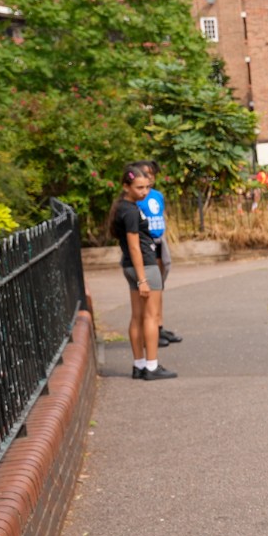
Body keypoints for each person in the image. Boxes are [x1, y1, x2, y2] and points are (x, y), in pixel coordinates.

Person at [110, 166, 176, 381]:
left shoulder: (122, 207)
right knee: (149, 316)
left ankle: (139, 365)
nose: (145, 192)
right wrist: (143, 279)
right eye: (139, 187)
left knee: (137, 316)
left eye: (147, 187)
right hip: (144, 266)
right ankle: (151, 366)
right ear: (126, 187)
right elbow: (135, 246)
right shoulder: (130, 211)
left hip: (131, 266)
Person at [131, 160, 181, 347]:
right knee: (150, 287)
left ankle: (159, 326)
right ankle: (149, 330)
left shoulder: (157, 196)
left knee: (159, 286)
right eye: (145, 173)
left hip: (160, 241)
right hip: (146, 243)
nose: (149, 177)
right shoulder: (136, 198)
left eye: (152, 173)